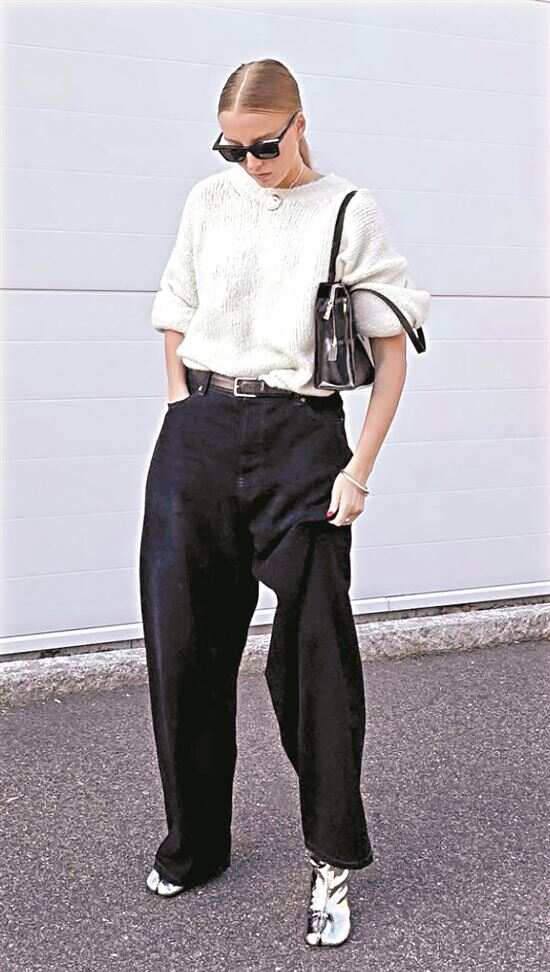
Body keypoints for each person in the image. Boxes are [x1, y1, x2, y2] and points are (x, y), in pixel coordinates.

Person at [139, 58, 431, 947]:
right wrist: (181, 406)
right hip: (200, 431)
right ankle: (197, 846)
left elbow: (393, 352)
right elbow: (176, 308)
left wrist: (358, 470)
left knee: (313, 660)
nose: (249, 163)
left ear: (300, 124)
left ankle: (331, 859)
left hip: (302, 439)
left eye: (263, 146)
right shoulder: (208, 201)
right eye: (231, 148)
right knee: (185, 646)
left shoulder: (348, 211)